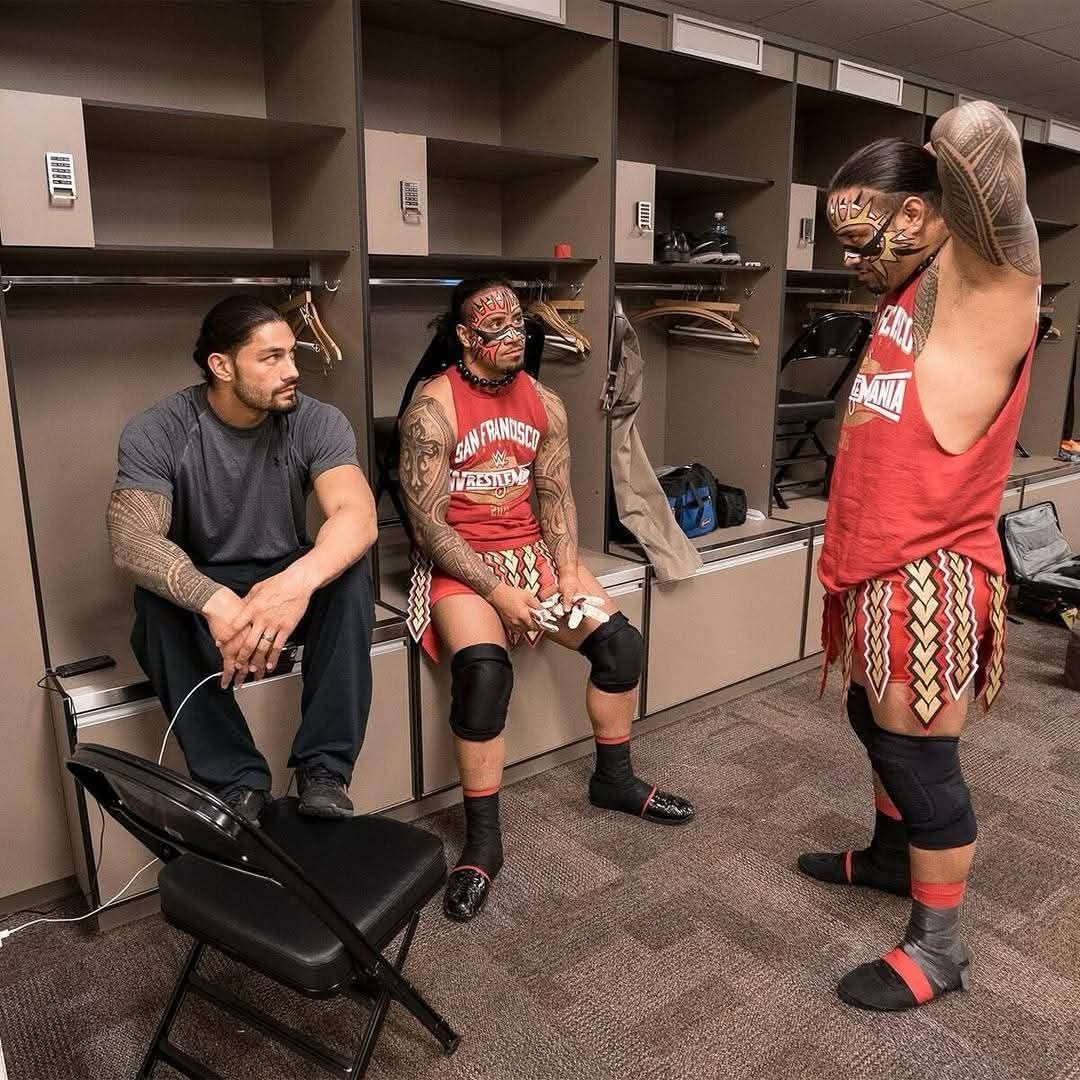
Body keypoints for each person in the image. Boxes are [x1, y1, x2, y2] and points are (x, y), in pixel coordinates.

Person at [799, 101, 1040, 1010]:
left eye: (871, 236)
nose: (855, 260)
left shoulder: (985, 290)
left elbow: (981, 132)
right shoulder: (903, 297)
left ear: (927, 213)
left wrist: (935, 167)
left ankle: (938, 950)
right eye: (843, 242)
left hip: (929, 570)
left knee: (921, 764)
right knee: (874, 724)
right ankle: (897, 857)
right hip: (873, 563)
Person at [397, 278, 695, 922]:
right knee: (482, 675)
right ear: (464, 338)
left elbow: (556, 495)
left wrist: (565, 572)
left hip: (532, 556)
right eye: (497, 330)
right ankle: (483, 843)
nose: (515, 340)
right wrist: (497, 590)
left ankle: (612, 780)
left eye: (519, 328)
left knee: (620, 647)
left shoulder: (546, 402)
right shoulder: (431, 407)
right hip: (463, 565)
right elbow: (427, 524)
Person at [107, 295, 378, 825]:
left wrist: (295, 585)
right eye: (271, 358)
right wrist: (216, 602)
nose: (292, 371)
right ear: (222, 365)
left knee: (349, 576)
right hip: (209, 578)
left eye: (292, 355)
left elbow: (356, 515)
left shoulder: (316, 421)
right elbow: (132, 540)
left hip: (286, 569)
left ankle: (324, 772)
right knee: (155, 610)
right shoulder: (159, 429)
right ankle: (236, 782)